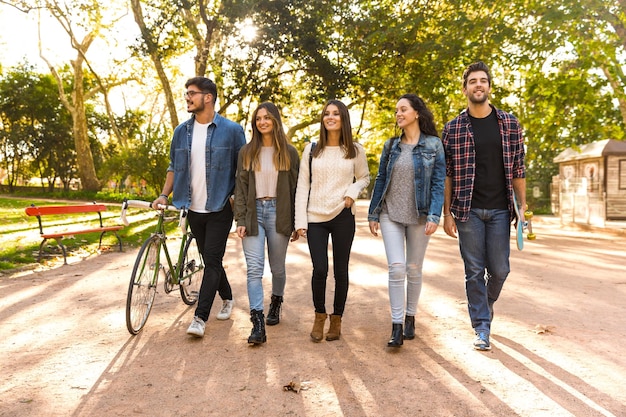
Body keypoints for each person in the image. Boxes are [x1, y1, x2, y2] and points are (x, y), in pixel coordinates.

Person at [441, 61, 526, 351]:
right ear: (465, 88)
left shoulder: (510, 123)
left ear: (489, 87)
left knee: (500, 270)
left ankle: (486, 304)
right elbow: (447, 174)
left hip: (501, 209)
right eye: (473, 81)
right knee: (474, 271)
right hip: (468, 210)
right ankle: (481, 326)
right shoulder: (452, 128)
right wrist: (446, 213)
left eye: (483, 81)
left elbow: (518, 169)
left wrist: (523, 207)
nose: (479, 85)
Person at [152, 76, 246, 338]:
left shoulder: (232, 130)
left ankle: (199, 318)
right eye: (186, 94)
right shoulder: (181, 132)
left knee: (212, 260)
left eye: (191, 93)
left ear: (208, 97)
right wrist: (163, 195)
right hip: (192, 207)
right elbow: (174, 167)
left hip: (219, 207)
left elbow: (243, 170)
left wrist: (237, 198)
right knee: (210, 260)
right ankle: (227, 297)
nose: (187, 98)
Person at [368, 94, 445, 348]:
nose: (398, 113)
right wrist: (373, 213)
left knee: (413, 268)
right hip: (391, 213)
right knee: (397, 267)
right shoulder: (391, 146)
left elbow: (437, 182)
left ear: (417, 113)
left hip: (420, 215)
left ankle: (411, 316)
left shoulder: (434, 145)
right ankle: (397, 325)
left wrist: (435, 215)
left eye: (403, 109)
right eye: (396, 110)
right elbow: (380, 179)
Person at [294, 99, 370, 342]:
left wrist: (352, 192)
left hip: (342, 216)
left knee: (340, 270)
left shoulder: (355, 150)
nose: (330, 117)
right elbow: (302, 185)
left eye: (336, 114)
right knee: (319, 269)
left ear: (343, 119)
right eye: (327, 113)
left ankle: (337, 320)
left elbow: (365, 178)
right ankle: (319, 316)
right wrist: (300, 221)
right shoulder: (312, 149)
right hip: (315, 216)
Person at [234, 102, 300, 345]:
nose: (262, 122)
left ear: (275, 121)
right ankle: (257, 323)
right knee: (254, 269)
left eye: (267, 118)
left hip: (278, 213)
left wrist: (296, 221)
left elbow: (297, 189)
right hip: (253, 214)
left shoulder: (289, 153)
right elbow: (240, 188)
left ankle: (276, 301)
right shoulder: (247, 152)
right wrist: (240, 218)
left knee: (278, 268)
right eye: (258, 118)